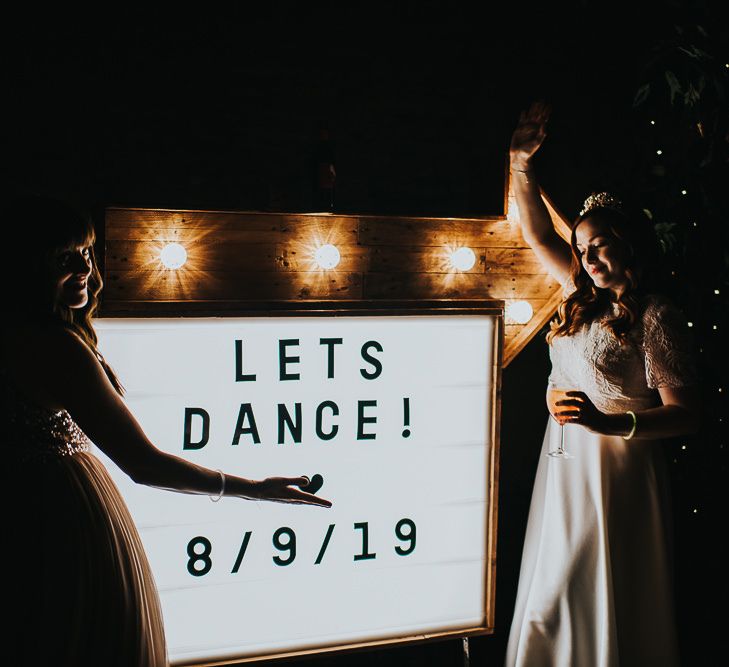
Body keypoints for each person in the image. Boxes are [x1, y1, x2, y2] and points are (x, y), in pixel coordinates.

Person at [2, 196, 332, 667]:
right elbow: (143, 463)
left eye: (87, 253)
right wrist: (253, 489)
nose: (83, 268)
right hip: (59, 521)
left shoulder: (22, 334)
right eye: (63, 258)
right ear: (27, 267)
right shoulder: (55, 348)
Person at [504, 103, 700, 667]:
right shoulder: (575, 294)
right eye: (582, 248)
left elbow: (686, 413)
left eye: (599, 245)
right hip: (562, 466)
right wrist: (520, 162)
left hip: (618, 471)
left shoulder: (655, 316)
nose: (586, 258)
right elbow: (538, 230)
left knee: (594, 593)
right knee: (550, 596)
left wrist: (607, 422)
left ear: (628, 244)